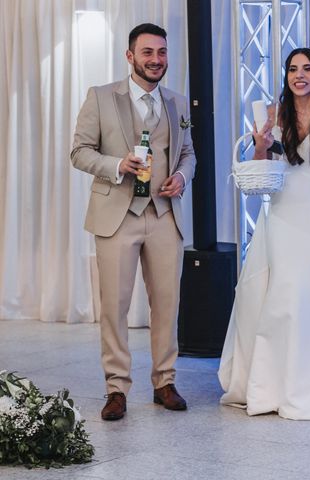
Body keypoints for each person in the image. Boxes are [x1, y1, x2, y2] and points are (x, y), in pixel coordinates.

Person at [218, 47, 310, 420]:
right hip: (281, 215)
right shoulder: (272, 114)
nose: (299, 75)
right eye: (292, 69)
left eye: (307, 68)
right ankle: (274, 385)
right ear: (286, 76)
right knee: (283, 295)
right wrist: (262, 145)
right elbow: (260, 168)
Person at [70, 23, 196, 421]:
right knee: (115, 305)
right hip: (117, 216)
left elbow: (188, 152)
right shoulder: (101, 97)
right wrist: (116, 165)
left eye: (161, 52)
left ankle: (164, 382)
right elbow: (79, 151)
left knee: (167, 304)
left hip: (163, 215)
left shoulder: (177, 103)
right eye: (147, 53)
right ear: (130, 56)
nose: (156, 60)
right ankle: (116, 388)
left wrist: (182, 176)